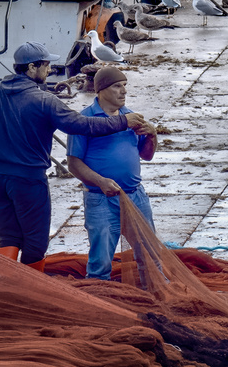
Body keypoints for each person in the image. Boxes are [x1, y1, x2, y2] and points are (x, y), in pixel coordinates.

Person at [0, 43, 153, 266]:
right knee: (35, 243)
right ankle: (32, 291)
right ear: (32, 67)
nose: (50, 70)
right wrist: (123, 121)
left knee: (8, 237)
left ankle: (6, 286)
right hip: (27, 180)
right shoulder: (43, 100)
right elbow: (81, 125)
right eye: (46, 66)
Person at [66, 66, 159, 282]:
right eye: (117, 86)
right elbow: (73, 164)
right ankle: (101, 305)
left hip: (136, 196)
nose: (123, 91)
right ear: (101, 90)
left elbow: (146, 156)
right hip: (101, 200)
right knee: (100, 262)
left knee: (150, 256)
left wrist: (153, 136)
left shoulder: (131, 117)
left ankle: (156, 297)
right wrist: (100, 182)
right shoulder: (85, 120)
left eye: (125, 86)